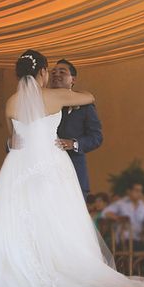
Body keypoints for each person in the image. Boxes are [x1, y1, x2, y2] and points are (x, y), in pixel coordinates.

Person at [0, 50, 144, 287]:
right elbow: (90, 96)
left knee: (23, 224)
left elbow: (14, 139)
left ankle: (21, 278)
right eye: (50, 71)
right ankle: (59, 273)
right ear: (43, 72)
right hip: (51, 165)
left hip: (19, 167)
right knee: (60, 224)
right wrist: (70, 93)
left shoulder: (11, 103)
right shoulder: (56, 96)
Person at [50, 59, 103, 197]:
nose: (56, 74)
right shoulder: (43, 103)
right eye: (53, 72)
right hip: (47, 173)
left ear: (72, 79)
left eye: (62, 72)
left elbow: (96, 137)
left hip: (73, 173)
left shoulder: (84, 104)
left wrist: (74, 143)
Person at [102, 183, 144, 251]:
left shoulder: (142, 205)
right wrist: (118, 218)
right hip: (124, 239)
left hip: (138, 239)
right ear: (129, 191)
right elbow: (105, 213)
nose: (139, 193)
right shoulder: (121, 203)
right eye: (137, 190)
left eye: (140, 191)